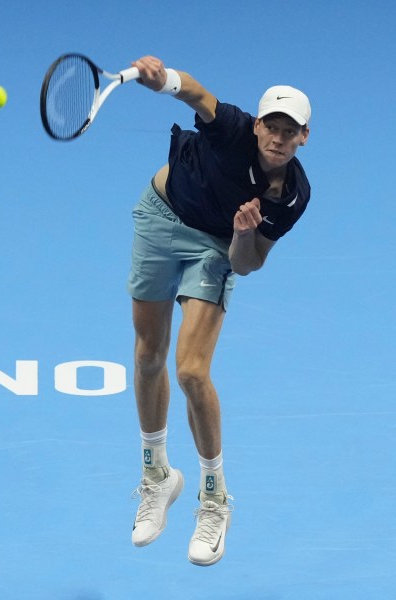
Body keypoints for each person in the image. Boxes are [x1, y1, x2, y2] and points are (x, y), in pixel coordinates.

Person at [127, 56, 311, 566]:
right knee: (148, 357)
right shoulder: (231, 130)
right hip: (160, 217)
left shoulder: (291, 197)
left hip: (216, 246)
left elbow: (247, 265)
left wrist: (245, 233)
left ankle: (214, 497)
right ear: (257, 126)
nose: (277, 137)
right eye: (270, 126)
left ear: (303, 137)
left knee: (190, 370)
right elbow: (196, 94)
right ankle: (157, 476)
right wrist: (161, 78)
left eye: (288, 131)